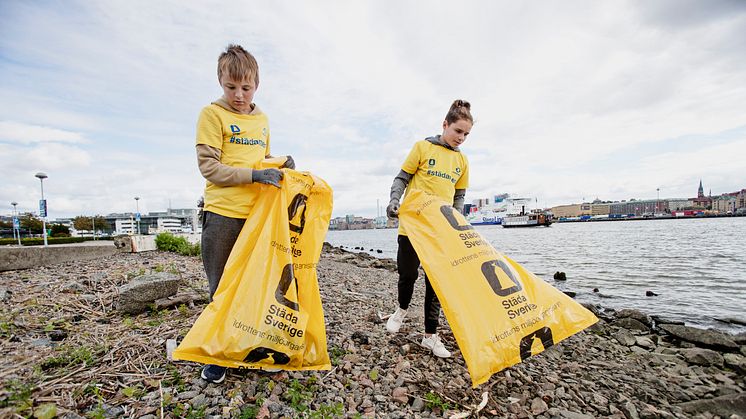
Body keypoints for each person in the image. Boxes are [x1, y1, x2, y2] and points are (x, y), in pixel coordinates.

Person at [195, 44, 294, 383]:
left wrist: (280, 164)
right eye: (231, 87)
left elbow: (261, 161)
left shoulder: (263, 120)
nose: (238, 95)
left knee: (258, 282)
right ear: (221, 82)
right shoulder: (211, 115)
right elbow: (209, 167)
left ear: (257, 84)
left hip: (257, 217)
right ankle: (220, 353)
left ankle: (255, 341)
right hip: (222, 215)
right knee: (221, 286)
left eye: (246, 87)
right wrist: (254, 175)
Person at [385, 100, 473, 358]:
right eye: (458, 131)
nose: (462, 138)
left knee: (436, 284)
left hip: (440, 231)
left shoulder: (463, 161)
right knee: (408, 275)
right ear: (445, 125)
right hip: (412, 226)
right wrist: (393, 200)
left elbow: (459, 195)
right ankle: (401, 310)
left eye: (466, 134)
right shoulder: (422, 148)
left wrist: (457, 218)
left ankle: (430, 336)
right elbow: (401, 178)